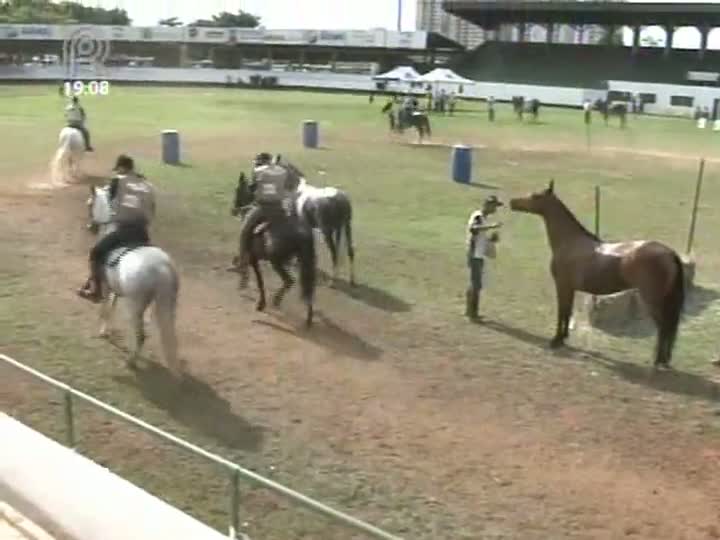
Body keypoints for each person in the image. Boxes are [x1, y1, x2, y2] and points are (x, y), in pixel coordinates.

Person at [78, 155, 155, 302]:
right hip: (143, 233)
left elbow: (103, 200)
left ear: (122, 168)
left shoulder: (117, 182)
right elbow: (152, 209)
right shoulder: (146, 184)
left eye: (118, 169)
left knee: (96, 253)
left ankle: (96, 291)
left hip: (123, 231)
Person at [230, 152, 298, 278]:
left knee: (244, 231)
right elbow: (291, 185)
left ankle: (242, 264)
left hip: (264, 208)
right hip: (281, 208)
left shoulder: (259, 172)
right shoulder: (280, 171)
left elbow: (254, 192)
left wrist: (243, 207)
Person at [465, 195, 503, 321]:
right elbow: (473, 229)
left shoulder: (484, 218)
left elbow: (480, 236)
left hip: (479, 254)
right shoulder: (478, 216)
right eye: (494, 206)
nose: (495, 209)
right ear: (487, 205)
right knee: (476, 284)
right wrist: (491, 227)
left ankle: (469, 311)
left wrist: (491, 239)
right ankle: (472, 313)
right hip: (474, 254)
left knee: (475, 284)